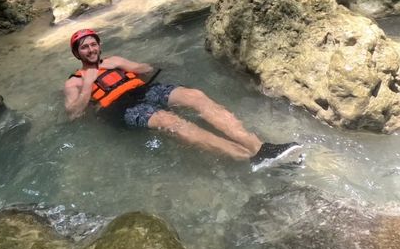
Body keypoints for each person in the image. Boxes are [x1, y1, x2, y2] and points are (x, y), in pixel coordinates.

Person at [63, 28, 302, 171]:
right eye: (84, 47)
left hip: (142, 91)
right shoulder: (73, 81)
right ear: (77, 53)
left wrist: (138, 67)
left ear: (99, 45)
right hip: (120, 108)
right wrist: (87, 84)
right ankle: (248, 158)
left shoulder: (113, 61)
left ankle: (261, 148)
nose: (91, 49)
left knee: (195, 96)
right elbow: (74, 113)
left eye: (93, 44)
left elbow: (144, 69)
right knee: (171, 122)